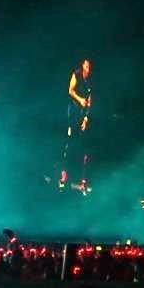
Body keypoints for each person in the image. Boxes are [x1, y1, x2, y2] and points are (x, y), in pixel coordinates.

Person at [60, 58, 92, 192]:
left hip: (81, 115)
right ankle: (63, 176)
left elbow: (90, 101)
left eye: (89, 66)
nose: (87, 68)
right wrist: (80, 99)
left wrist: (85, 118)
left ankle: (82, 180)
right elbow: (70, 90)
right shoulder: (77, 74)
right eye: (86, 65)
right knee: (70, 142)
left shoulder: (90, 81)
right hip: (73, 111)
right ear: (82, 65)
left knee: (83, 147)